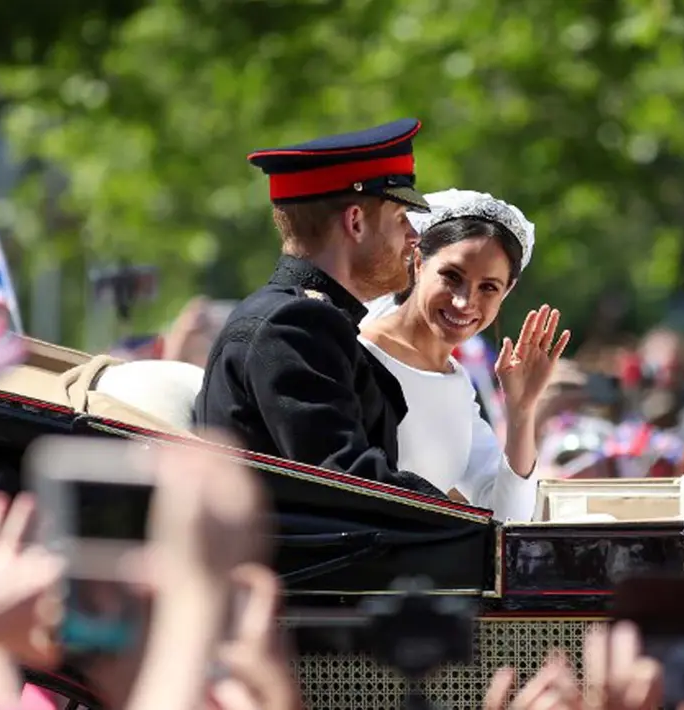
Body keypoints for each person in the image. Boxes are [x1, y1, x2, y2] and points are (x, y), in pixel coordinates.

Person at [194, 119, 444, 496]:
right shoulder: (294, 325)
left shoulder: (301, 318)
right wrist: (470, 522)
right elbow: (348, 482)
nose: (414, 236)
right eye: (399, 218)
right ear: (355, 222)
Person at [358, 190, 570, 520]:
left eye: (488, 287)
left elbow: (507, 516)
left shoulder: (457, 383)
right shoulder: (358, 354)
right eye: (452, 277)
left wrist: (522, 410)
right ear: (417, 261)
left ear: (507, 291)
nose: (463, 302)